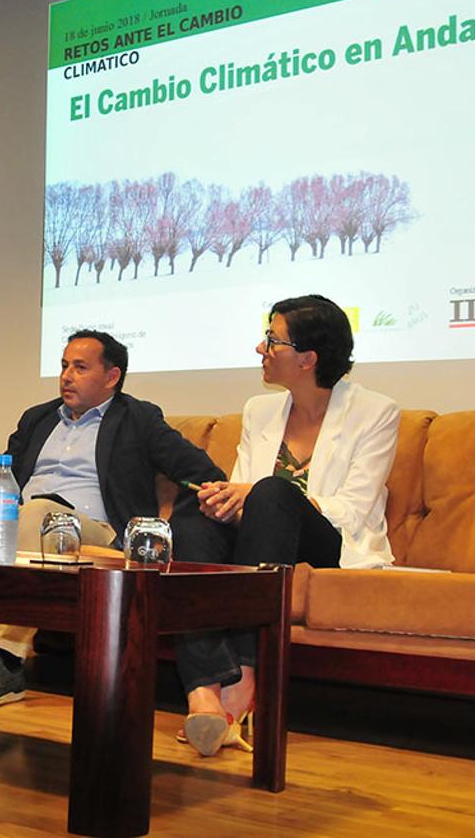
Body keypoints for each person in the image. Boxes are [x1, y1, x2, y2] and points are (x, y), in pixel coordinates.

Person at [0, 329, 225, 706]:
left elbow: (200, 469)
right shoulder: (38, 418)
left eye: (80, 367)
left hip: (94, 530)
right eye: (65, 365)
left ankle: (5, 661)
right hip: (22, 515)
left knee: (39, 513)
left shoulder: (139, 419)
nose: (67, 375)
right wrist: (0, 494)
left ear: (112, 376)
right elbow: (0, 472)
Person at [174, 294, 399, 756]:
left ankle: (246, 678)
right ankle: (203, 693)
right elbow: (241, 490)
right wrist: (225, 500)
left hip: (328, 544)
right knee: (193, 517)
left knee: (275, 492)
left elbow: (353, 509)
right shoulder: (260, 410)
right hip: (261, 539)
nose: (261, 349)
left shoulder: (376, 412)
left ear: (307, 358)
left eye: (272, 341)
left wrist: (261, 495)